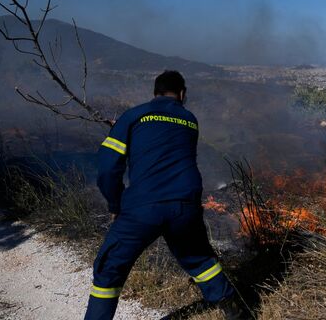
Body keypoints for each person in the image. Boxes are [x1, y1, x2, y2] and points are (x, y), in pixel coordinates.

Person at [85, 70, 240, 320]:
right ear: (182, 94)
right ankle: (234, 309)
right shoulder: (190, 120)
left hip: (142, 207)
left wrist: (115, 203)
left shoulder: (134, 116)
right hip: (184, 206)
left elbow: (107, 168)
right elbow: (166, 146)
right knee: (199, 259)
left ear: (154, 93)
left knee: (110, 268)